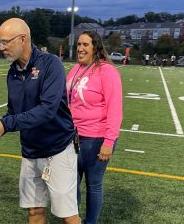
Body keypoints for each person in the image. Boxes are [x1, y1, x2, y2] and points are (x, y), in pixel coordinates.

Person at [0, 18, 80, 224]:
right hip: (30, 152)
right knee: (34, 212)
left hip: (57, 150)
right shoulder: (13, 72)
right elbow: (13, 111)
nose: (2, 48)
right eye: (0, 43)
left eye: (5, 42)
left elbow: (47, 111)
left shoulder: (51, 63)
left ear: (23, 39)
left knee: (67, 216)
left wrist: (6, 124)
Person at [66, 31, 122, 224]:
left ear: (95, 47)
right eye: (78, 44)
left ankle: (90, 222)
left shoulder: (107, 71)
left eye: (85, 45)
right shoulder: (75, 69)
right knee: (71, 185)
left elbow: (115, 109)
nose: (80, 48)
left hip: (96, 139)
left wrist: (109, 141)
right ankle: (74, 220)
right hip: (73, 137)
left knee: (93, 185)